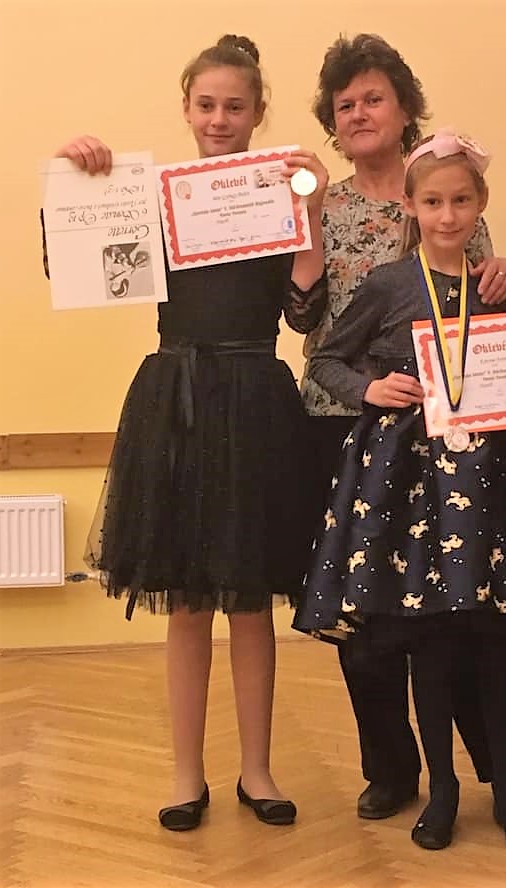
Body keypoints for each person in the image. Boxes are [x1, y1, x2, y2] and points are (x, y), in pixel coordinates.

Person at [50, 34, 328, 831]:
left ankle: (258, 770)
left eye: (235, 106)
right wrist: (75, 172)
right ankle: (184, 775)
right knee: (187, 602)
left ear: (258, 113)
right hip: (176, 400)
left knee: (250, 601)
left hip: (254, 399)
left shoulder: (277, 194)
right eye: (206, 105)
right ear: (186, 108)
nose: (219, 118)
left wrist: (308, 212)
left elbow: (303, 311)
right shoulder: (151, 198)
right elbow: (73, 262)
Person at [293, 129, 506, 851]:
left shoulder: (496, 285)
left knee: (489, 639)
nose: (448, 215)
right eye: (433, 202)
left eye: (461, 201)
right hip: (407, 489)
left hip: (489, 485)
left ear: (480, 203)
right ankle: (443, 790)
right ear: (410, 205)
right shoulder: (388, 284)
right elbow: (325, 358)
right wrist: (370, 389)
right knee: (426, 639)